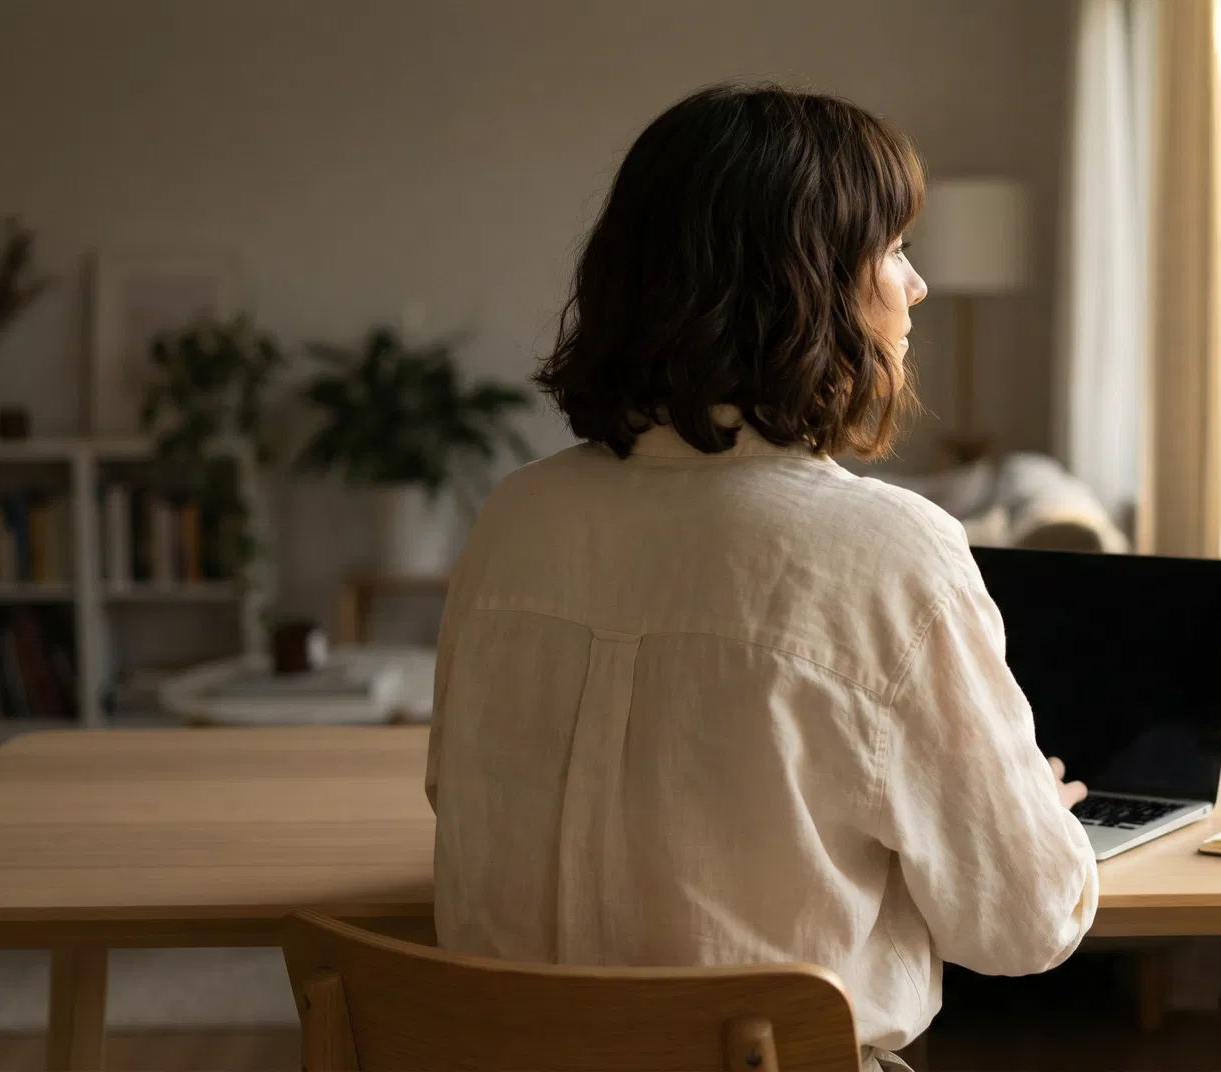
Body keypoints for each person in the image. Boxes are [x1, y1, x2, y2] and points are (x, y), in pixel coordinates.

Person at [425, 83, 1098, 1072]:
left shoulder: (514, 515)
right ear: (809, 284)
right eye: (895, 251)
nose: (914, 288)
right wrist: (1027, 810)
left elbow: (460, 794)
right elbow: (1026, 924)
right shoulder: (892, 551)